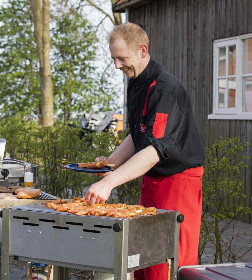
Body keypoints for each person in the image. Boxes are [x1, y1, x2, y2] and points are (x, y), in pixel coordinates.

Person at [84, 23, 206, 280]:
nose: (117, 66)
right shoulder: (137, 81)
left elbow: (155, 149)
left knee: (168, 263)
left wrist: (110, 183)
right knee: (143, 260)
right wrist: (112, 162)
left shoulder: (165, 89)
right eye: (113, 59)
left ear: (142, 50)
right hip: (152, 181)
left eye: (122, 58)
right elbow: (140, 132)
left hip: (178, 184)